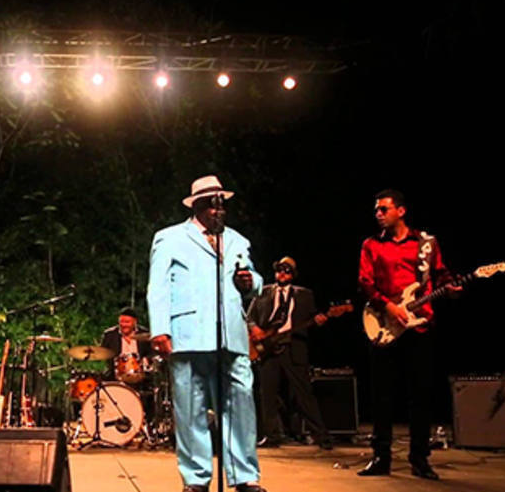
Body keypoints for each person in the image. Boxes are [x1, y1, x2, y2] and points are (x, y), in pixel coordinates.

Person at [147, 175, 265, 492]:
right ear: (197, 206)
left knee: (240, 406)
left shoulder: (238, 240)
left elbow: (254, 280)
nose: (219, 211)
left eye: (222, 205)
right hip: (187, 334)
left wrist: (249, 282)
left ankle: (244, 476)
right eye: (213, 205)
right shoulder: (169, 237)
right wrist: (160, 330)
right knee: (190, 409)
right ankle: (196, 478)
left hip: (231, 335)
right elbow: (157, 287)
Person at [356, 189, 459, 480]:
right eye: (376, 209)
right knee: (382, 395)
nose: (378, 214)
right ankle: (381, 457)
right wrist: (388, 307)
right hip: (385, 324)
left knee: (420, 395)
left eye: (383, 209)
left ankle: (420, 459)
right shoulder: (371, 245)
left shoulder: (426, 243)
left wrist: (451, 287)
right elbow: (365, 281)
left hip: (420, 325)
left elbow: (441, 274)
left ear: (401, 211)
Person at [246, 257, 332, 450]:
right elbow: (249, 317)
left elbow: (312, 319)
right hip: (267, 349)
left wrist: (319, 320)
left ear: (293, 274)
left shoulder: (304, 295)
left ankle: (321, 435)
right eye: (279, 270)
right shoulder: (264, 292)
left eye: (286, 271)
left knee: (304, 394)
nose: (281, 274)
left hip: (293, 348)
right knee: (267, 394)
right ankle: (271, 435)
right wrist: (255, 329)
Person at [100, 307, 154, 381]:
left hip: (140, 374)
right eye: (121, 322)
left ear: (135, 322)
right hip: (115, 375)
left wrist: (146, 359)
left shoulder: (144, 333)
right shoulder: (110, 335)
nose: (124, 325)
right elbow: (102, 352)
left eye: (127, 322)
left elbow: (153, 351)